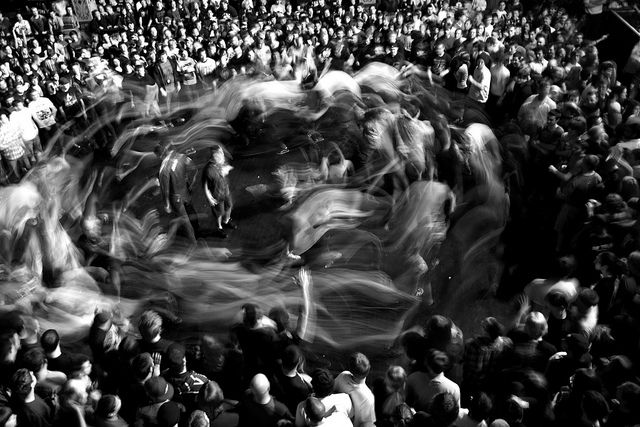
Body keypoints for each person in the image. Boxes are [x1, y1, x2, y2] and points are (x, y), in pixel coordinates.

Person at [157, 144, 199, 244]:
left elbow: (165, 188)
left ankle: (193, 241)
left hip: (176, 198)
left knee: (185, 220)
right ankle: (197, 229)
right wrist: (189, 184)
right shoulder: (181, 156)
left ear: (160, 155)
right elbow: (194, 169)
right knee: (191, 210)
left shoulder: (163, 168)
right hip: (185, 192)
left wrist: (167, 204)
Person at [334, 353, 375, 427]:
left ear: (350, 369)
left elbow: (331, 390)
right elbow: (367, 424)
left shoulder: (343, 376)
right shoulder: (368, 397)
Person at [203, 145, 236, 238]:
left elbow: (225, 169)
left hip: (225, 190)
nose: (222, 156)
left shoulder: (221, 162)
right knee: (219, 213)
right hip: (216, 195)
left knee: (229, 205)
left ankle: (226, 221)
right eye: (219, 154)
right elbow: (205, 186)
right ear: (213, 156)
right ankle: (219, 228)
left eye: (222, 153)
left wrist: (227, 169)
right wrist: (209, 198)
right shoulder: (208, 170)